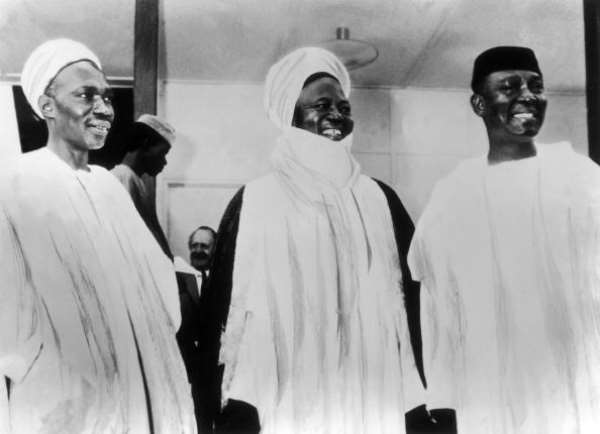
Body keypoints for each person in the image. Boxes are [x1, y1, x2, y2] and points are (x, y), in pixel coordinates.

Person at [202, 47, 425, 434]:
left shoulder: (380, 199)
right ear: (291, 115)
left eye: (343, 106)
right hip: (288, 387)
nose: (337, 115)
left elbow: (416, 301)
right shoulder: (256, 200)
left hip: (370, 387)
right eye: (321, 105)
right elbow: (222, 312)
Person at [0, 39, 196, 433]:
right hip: (63, 397)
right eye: (86, 95)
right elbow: (10, 315)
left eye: (107, 97)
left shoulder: (109, 188)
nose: (104, 108)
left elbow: (159, 290)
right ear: (47, 105)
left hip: (139, 386)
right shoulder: (16, 183)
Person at [408, 46, 600, 433]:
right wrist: (443, 398)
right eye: (510, 87)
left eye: (536, 85)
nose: (527, 96)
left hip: (575, 383)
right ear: (479, 103)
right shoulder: (453, 196)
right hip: (490, 388)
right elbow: (438, 308)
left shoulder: (580, 178)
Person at [173, 226, 216, 433]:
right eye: (195, 245)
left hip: (215, 369)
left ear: (214, 249)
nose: (199, 250)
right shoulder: (177, 277)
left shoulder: (222, 281)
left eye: (205, 246)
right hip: (186, 368)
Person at [112, 114, 175, 258]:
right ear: (146, 144)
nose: (164, 162)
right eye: (163, 153)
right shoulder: (122, 177)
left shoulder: (135, 182)